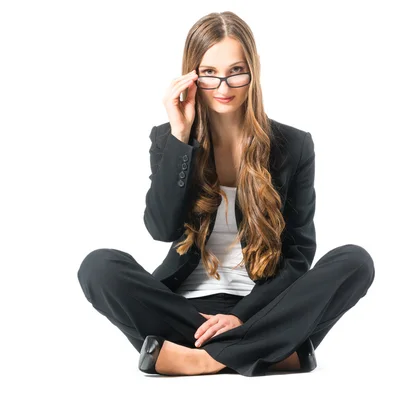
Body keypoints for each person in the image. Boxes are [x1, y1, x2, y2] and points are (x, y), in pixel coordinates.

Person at [77, 11, 375, 377]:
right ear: (192, 74)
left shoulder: (293, 146)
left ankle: (201, 358)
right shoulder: (168, 138)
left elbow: (299, 254)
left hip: (264, 305)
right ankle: (272, 351)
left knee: (355, 262)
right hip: (184, 309)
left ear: (254, 69)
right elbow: (162, 228)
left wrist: (239, 317)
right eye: (209, 73)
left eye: (236, 71)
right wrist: (180, 137)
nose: (223, 87)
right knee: (98, 267)